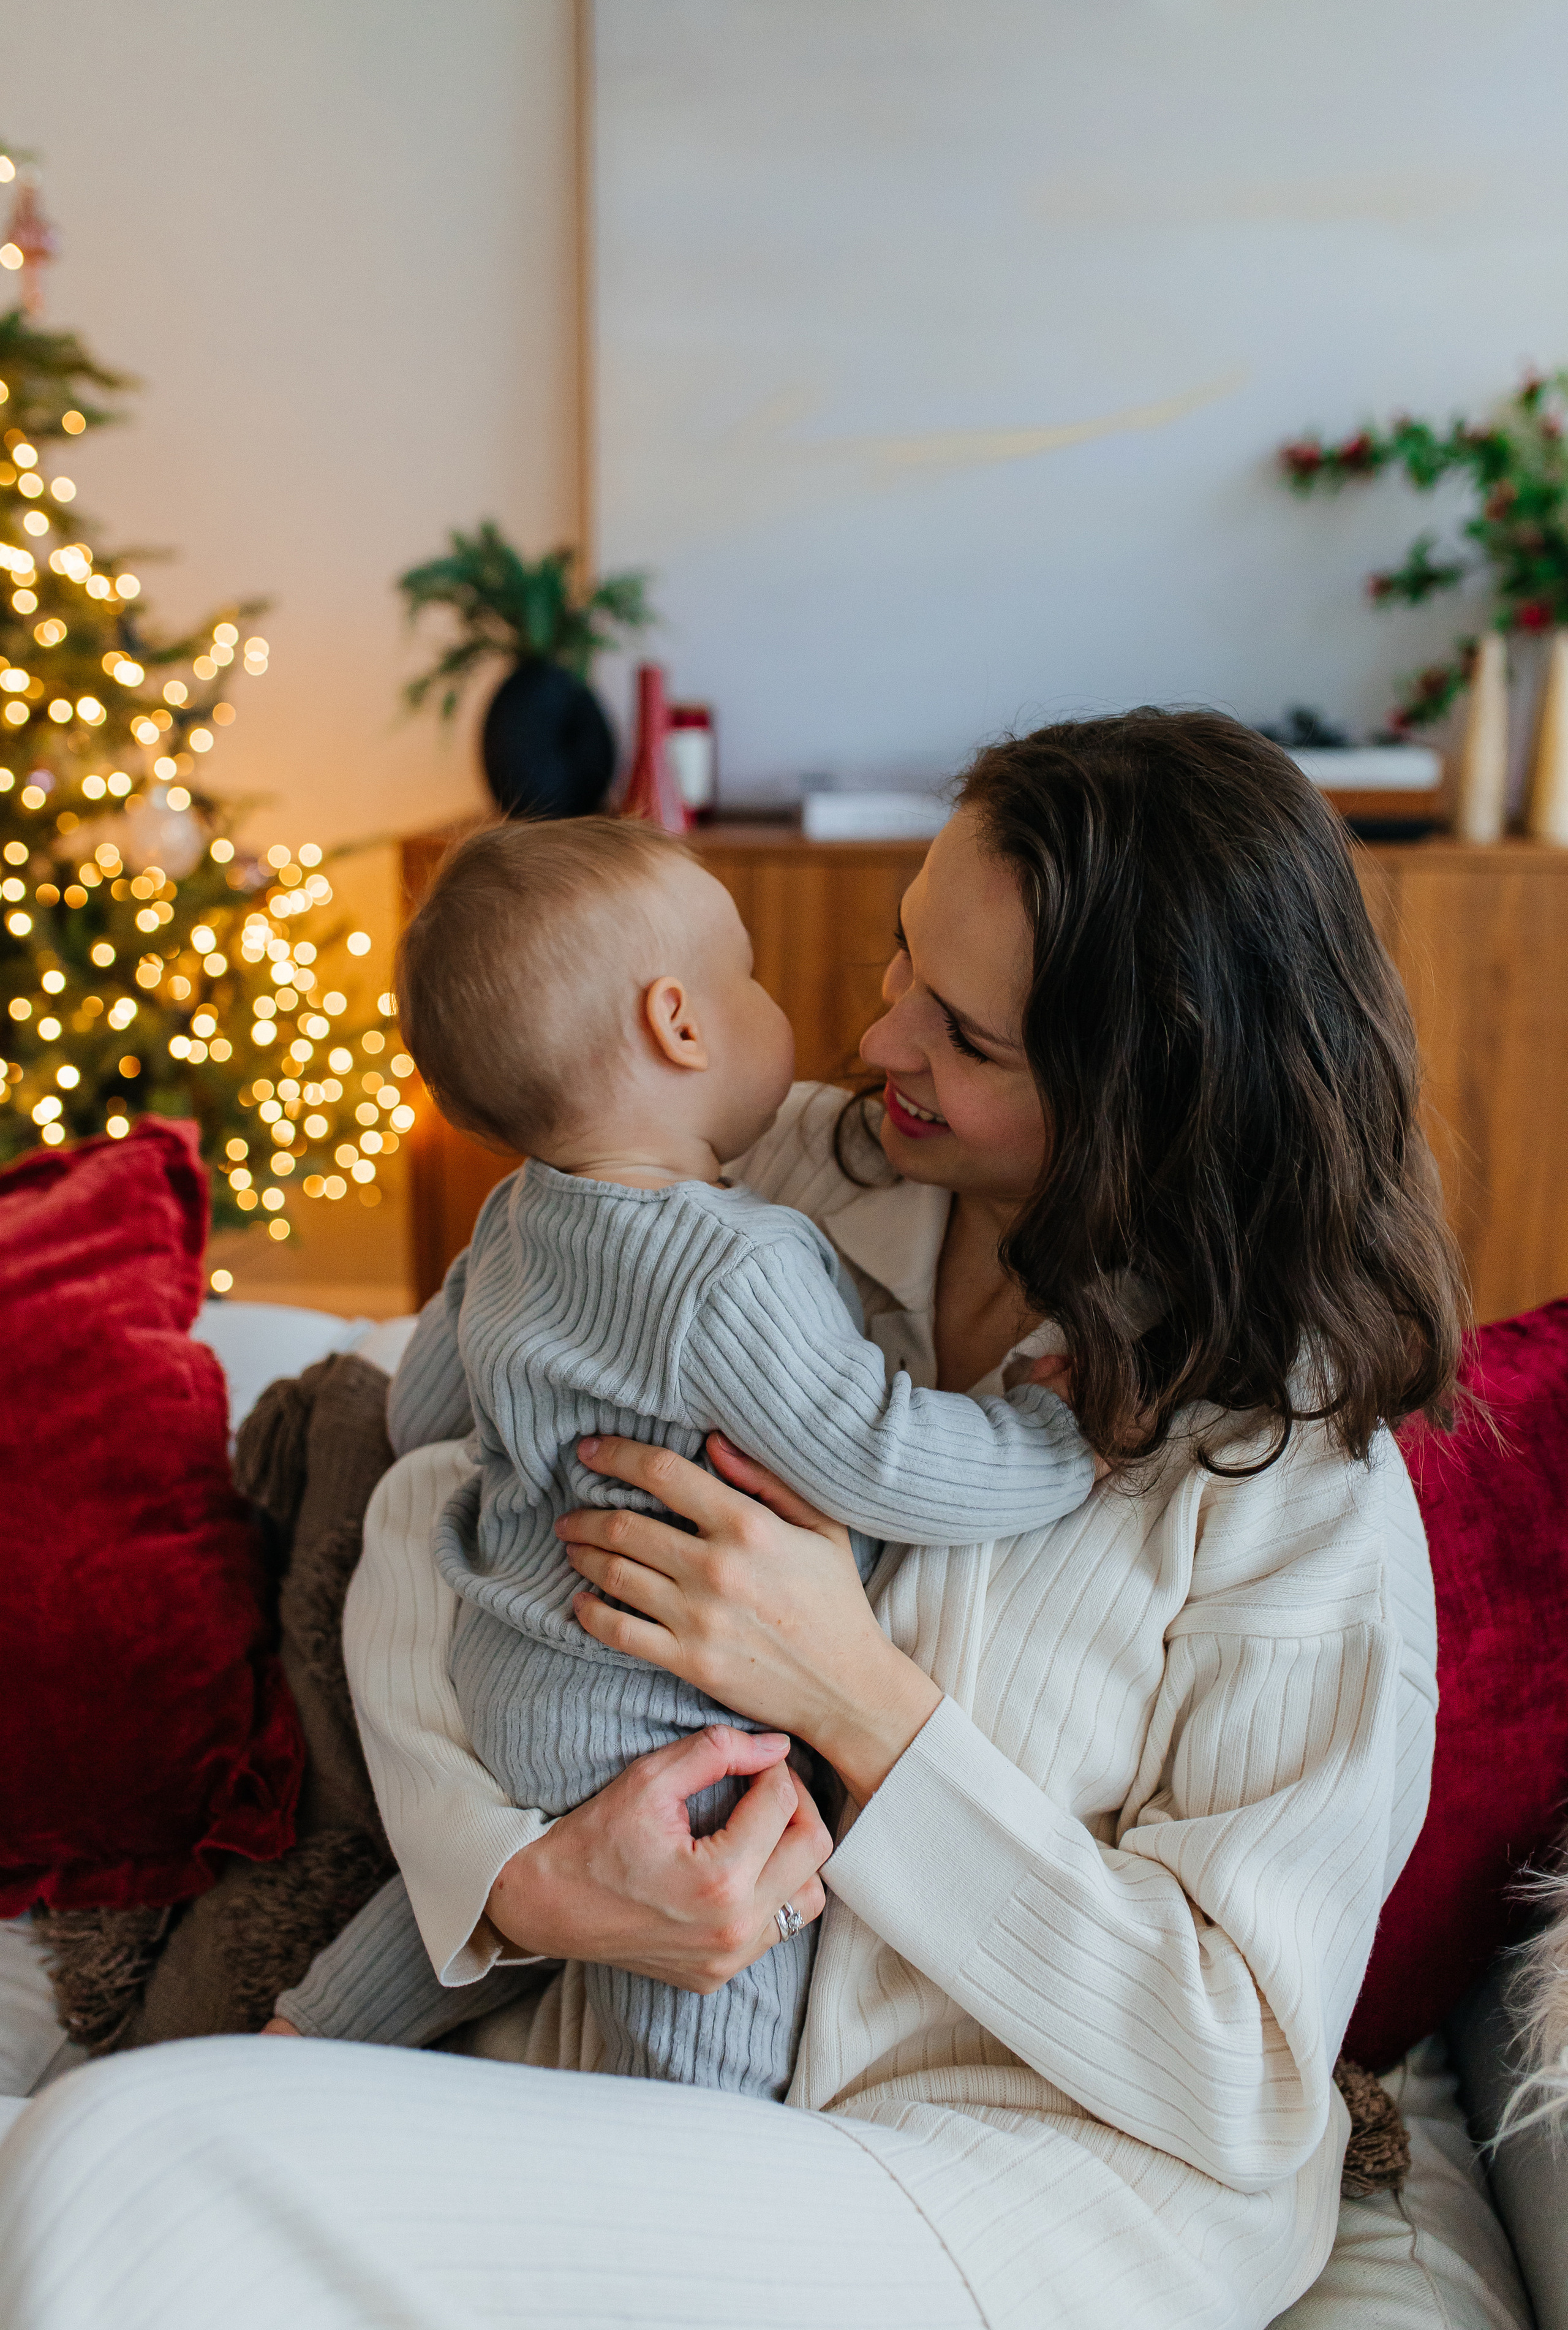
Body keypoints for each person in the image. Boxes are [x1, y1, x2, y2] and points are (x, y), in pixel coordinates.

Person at [0, 711, 1460, 2330]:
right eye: (906, 955)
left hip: (1009, 2193)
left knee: (117, 2175)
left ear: (1148, 1095)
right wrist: (517, 1882)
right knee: (87, 2173)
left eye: (965, 1036)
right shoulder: (775, 1184)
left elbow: (1245, 2070)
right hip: (629, 2086)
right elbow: (439, 1504)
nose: (883, 1035)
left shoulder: (1293, 1472)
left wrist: (856, 1700)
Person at [268, 815, 1094, 2100]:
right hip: (660, 1714)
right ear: (680, 1025)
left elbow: (421, 1408)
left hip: (510, 1670)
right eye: (749, 977)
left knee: (495, 1898)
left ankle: (300, 2043)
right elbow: (877, 1453)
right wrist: (1054, 1439)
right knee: (719, 1947)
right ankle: (687, 2142)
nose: (860, 1038)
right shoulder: (733, 1267)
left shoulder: (512, 1214)